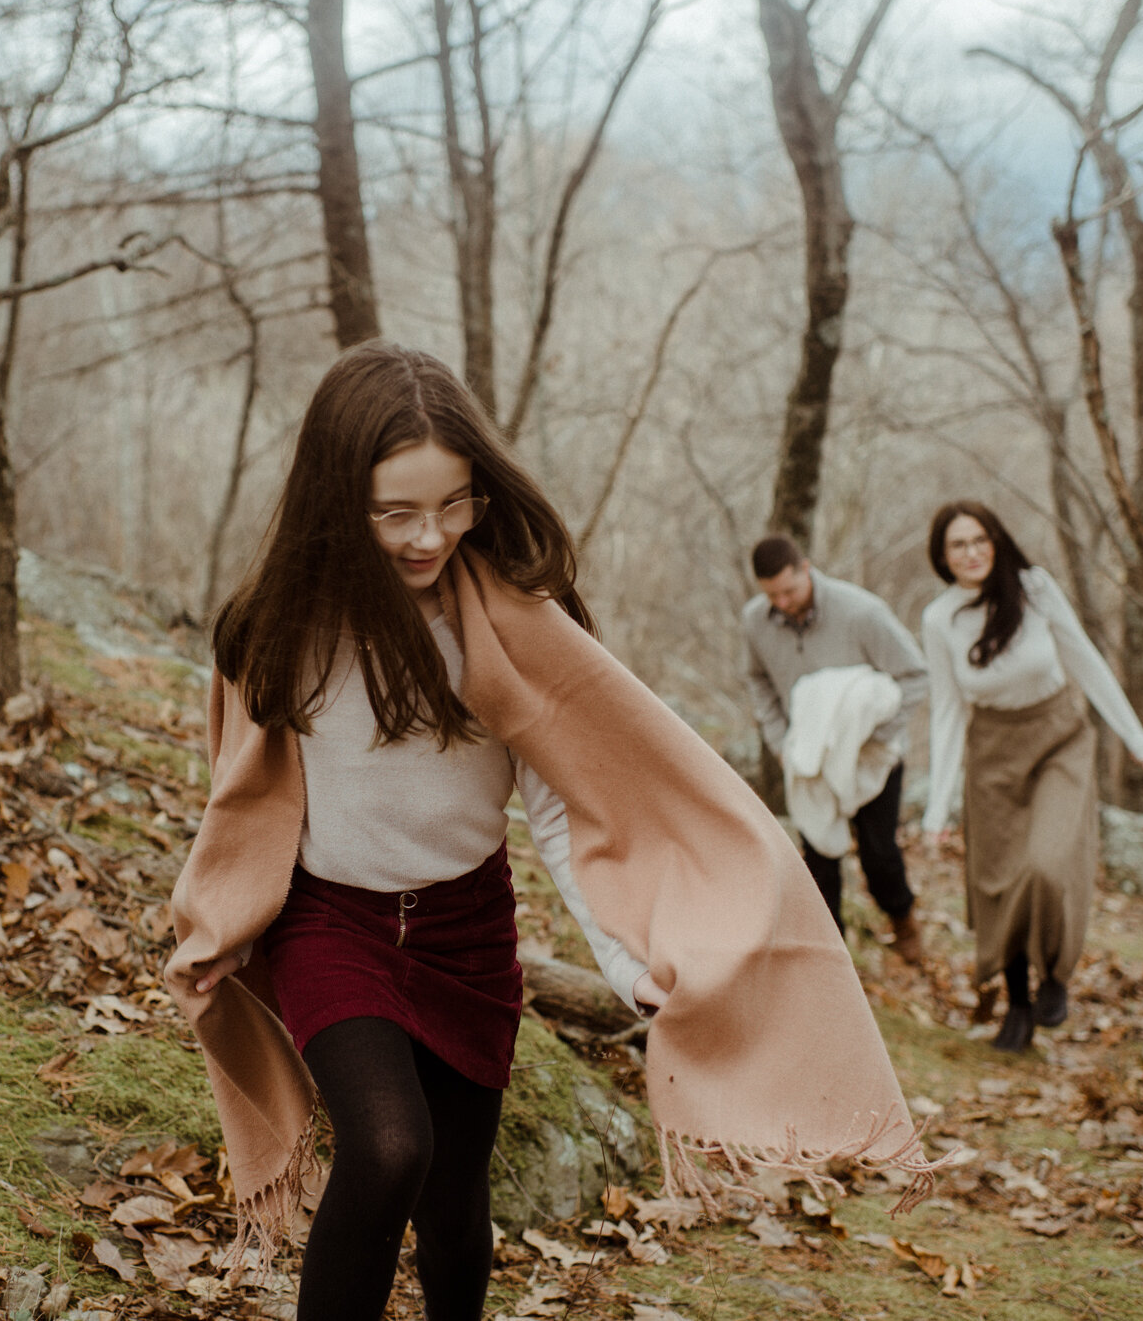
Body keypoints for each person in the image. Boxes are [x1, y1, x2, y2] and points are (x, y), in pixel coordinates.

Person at [165, 341, 938, 1320]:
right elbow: (244, 788)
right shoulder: (277, 627)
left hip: (465, 935)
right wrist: (227, 912)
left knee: (453, 1200)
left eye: (452, 505)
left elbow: (568, 804)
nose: (426, 536)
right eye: (394, 512)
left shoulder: (510, 623)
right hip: (333, 927)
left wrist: (622, 963)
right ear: (333, 498)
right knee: (387, 1147)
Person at [918, 501, 1143, 1053]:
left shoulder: (1035, 589)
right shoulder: (940, 619)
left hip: (1058, 742)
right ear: (943, 557)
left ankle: (1055, 976)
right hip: (992, 756)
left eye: (980, 539)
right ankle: (1018, 1005)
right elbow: (948, 711)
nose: (971, 552)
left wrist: (1134, 736)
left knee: (1046, 866)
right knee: (1001, 883)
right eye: (958, 545)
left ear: (996, 541)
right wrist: (938, 807)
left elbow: (1085, 659)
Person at [742, 536, 928, 962]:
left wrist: (875, 738)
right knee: (819, 860)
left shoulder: (861, 612)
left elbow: (915, 675)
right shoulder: (755, 621)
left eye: (789, 590)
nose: (783, 602)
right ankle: (830, 957)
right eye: (772, 595)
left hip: (871, 758)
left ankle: (902, 919)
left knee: (880, 854)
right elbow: (758, 682)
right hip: (807, 760)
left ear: (806, 569)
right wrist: (780, 742)